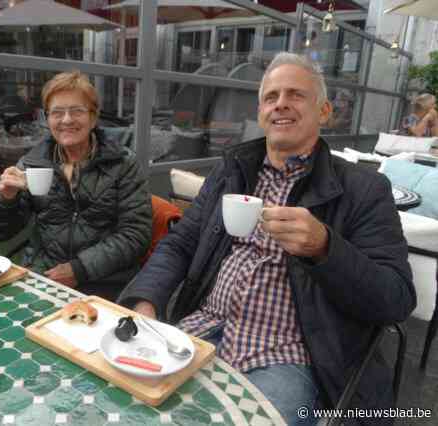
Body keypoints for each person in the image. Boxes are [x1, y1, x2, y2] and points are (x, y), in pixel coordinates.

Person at [117, 53, 415, 425]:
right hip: (202, 331)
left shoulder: (363, 190)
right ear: (260, 113)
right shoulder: (232, 170)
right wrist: (145, 301)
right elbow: (181, 243)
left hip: (288, 356)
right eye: (271, 97)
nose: (281, 104)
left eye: (295, 94)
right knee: (127, 405)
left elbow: (396, 300)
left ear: (324, 112)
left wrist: (325, 248)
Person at [0, 71, 152, 301]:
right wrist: (6, 200)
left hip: (105, 283)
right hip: (44, 276)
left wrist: (79, 270)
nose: (66, 120)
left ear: (93, 118)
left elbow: (136, 234)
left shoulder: (123, 164)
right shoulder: (33, 163)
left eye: (77, 111)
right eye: (57, 112)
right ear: (47, 118)